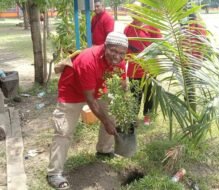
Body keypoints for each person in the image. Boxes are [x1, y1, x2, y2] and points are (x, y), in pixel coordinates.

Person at [47, 32, 128, 190]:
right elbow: (90, 100)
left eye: (121, 53)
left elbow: (122, 84)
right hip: (72, 90)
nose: (117, 56)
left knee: (112, 113)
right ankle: (54, 173)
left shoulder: (120, 60)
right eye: (113, 50)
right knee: (64, 130)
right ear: (105, 47)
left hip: (98, 87)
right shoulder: (88, 60)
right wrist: (106, 122)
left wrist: (124, 105)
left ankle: (104, 150)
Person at [124, 10, 162, 126]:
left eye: (137, 11)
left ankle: (148, 116)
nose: (135, 14)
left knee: (149, 93)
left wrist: (149, 54)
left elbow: (160, 45)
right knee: (135, 93)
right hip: (133, 68)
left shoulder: (152, 27)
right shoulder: (128, 29)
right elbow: (125, 48)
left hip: (150, 67)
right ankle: (133, 116)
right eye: (132, 12)